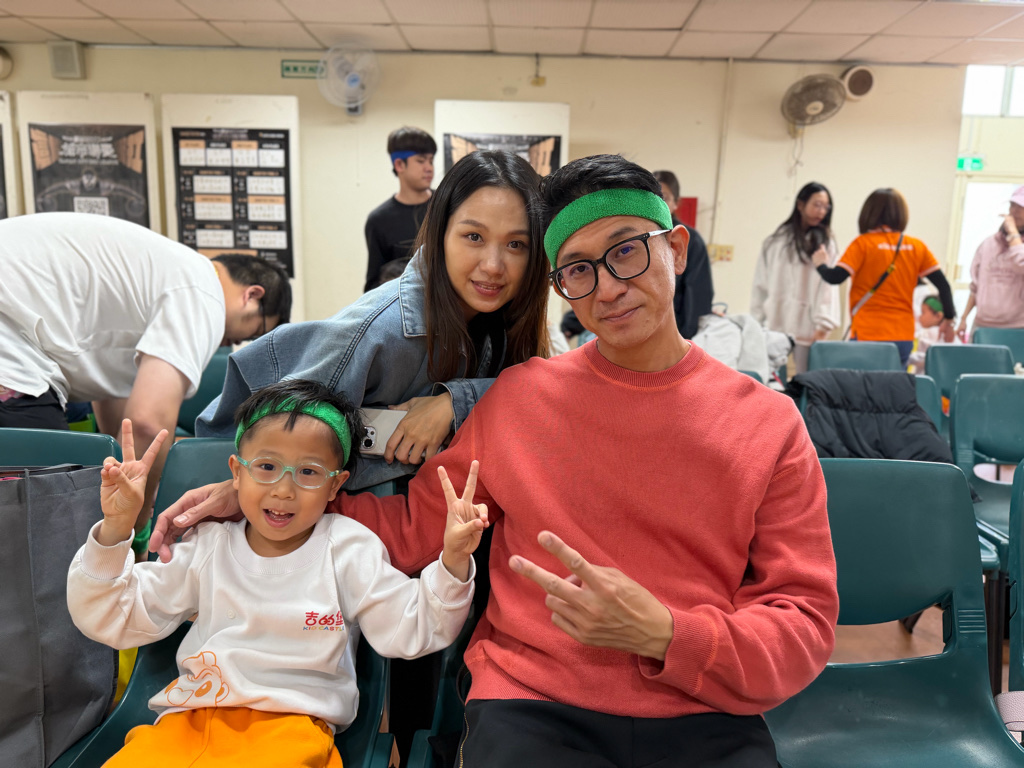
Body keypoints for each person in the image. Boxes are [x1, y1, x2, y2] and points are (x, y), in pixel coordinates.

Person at [155, 155, 838, 768]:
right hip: (533, 705)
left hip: (703, 710)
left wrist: (669, 635)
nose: (607, 288)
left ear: (676, 249)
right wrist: (270, 494)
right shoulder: (517, 397)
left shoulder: (768, 424)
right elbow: (416, 528)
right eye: (579, 269)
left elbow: (803, 623)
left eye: (627, 251)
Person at [68, 379, 483, 768]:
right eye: (266, 466)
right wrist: (115, 529)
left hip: (293, 728)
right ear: (236, 472)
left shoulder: (349, 548)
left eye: (308, 472)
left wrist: (453, 561)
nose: (284, 490)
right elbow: (114, 615)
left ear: (335, 486)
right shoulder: (208, 546)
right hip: (186, 721)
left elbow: (413, 627)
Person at [195, 150, 551, 492]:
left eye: (516, 244)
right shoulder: (377, 331)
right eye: (473, 237)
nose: (493, 265)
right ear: (440, 234)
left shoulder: (500, 321)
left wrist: (455, 402)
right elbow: (271, 448)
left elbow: (540, 397)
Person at [0, 212, 291, 531]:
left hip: (13, 328)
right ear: (252, 295)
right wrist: (132, 526)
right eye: (255, 332)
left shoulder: (163, 274)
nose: (238, 342)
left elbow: (117, 406)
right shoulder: (204, 293)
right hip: (11, 349)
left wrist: (122, 482)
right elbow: (148, 424)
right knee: (57, 525)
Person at [814, 188, 956, 366]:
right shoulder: (916, 247)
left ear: (869, 212)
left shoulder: (862, 244)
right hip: (902, 335)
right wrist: (949, 320)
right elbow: (943, 285)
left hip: (867, 333)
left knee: (864, 381)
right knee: (894, 382)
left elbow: (835, 277)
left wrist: (821, 264)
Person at [750, 182, 841, 374]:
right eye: (817, 205)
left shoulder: (826, 245)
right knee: (773, 382)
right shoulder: (775, 242)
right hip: (775, 325)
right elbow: (760, 285)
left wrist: (824, 325)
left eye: (826, 207)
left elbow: (828, 289)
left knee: (806, 380)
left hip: (809, 329)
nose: (821, 211)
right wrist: (756, 323)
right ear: (800, 204)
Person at [363, 126, 436, 292]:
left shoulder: (448, 205)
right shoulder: (379, 220)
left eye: (431, 161)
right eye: (421, 161)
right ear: (399, 164)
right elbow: (373, 286)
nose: (429, 168)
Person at [956, 185, 1024, 340]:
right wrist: (964, 318)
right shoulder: (989, 244)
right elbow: (976, 286)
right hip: (983, 324)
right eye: (1013, 205)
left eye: (1021, 207)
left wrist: (1014, 236)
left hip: (1018, 327)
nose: (1015, 211)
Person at [655, 169, 715, 339]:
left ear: (676, 203)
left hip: (675, 334)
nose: (657, 203)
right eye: (651, 197)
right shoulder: (635, 236)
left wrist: (685, 340)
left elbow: (698, 295)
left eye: (664, 198)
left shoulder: (691, 241)